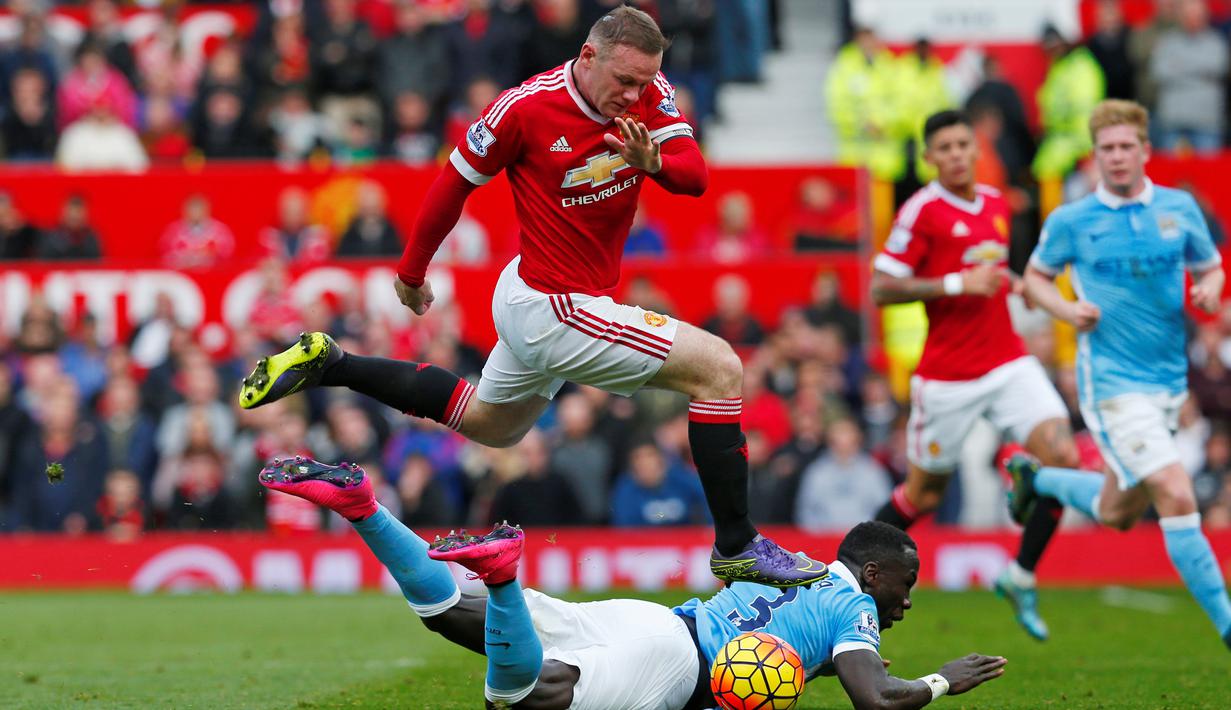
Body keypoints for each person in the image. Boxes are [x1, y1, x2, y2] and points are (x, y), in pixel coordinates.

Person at [239, 6, 822, 588]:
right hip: (554, 306)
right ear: (588, 56)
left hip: (537, 297)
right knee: (720, 369)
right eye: (624, 82)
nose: (634, 95)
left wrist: (656, 163)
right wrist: (412, 273)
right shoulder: (524, 107)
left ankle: (333, 364)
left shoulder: (650, 89)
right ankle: (739, 545)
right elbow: (453, 183)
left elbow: (694, 177)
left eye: (644, 83)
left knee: (492, 426)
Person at [259, 457, 1007, 710]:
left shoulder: (795, 562)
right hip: (674, 666)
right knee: (520, 698)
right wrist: (940, 682)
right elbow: (872, 698)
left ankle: (361, 505)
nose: (907, 600)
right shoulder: (853, 606)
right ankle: (507, 576)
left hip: (650, 620)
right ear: (873, 573)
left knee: (452, 616)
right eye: (904, 584)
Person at [1016, 99, 1231, 651]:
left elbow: (1209, 264)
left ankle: (1036, 479)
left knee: (1117, 511)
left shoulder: (1180, 208)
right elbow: (1034, 279)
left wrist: (1210, 287)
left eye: (1125, 147)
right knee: (1177, 492)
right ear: (1095, 156)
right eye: (1106, 148)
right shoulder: (1072, 219)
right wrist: (1064, 310)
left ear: (1145, 151)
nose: (1116, 157)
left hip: (1167, 382)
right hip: (1110, 385)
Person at [869, 109, 1086, 641]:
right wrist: (955, 286)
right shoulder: (922, 212)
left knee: (1065, 457)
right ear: (929, 159)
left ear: (976, 147)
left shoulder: (993, 201)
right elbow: (881, 286)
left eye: (965, 144)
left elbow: (998, 276)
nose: (958, 155)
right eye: (945, 148)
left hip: (1007, 360)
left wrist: (1054, 306)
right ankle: (844, 575)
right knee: (922, 496)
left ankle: (1020, 573)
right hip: (948, 377)